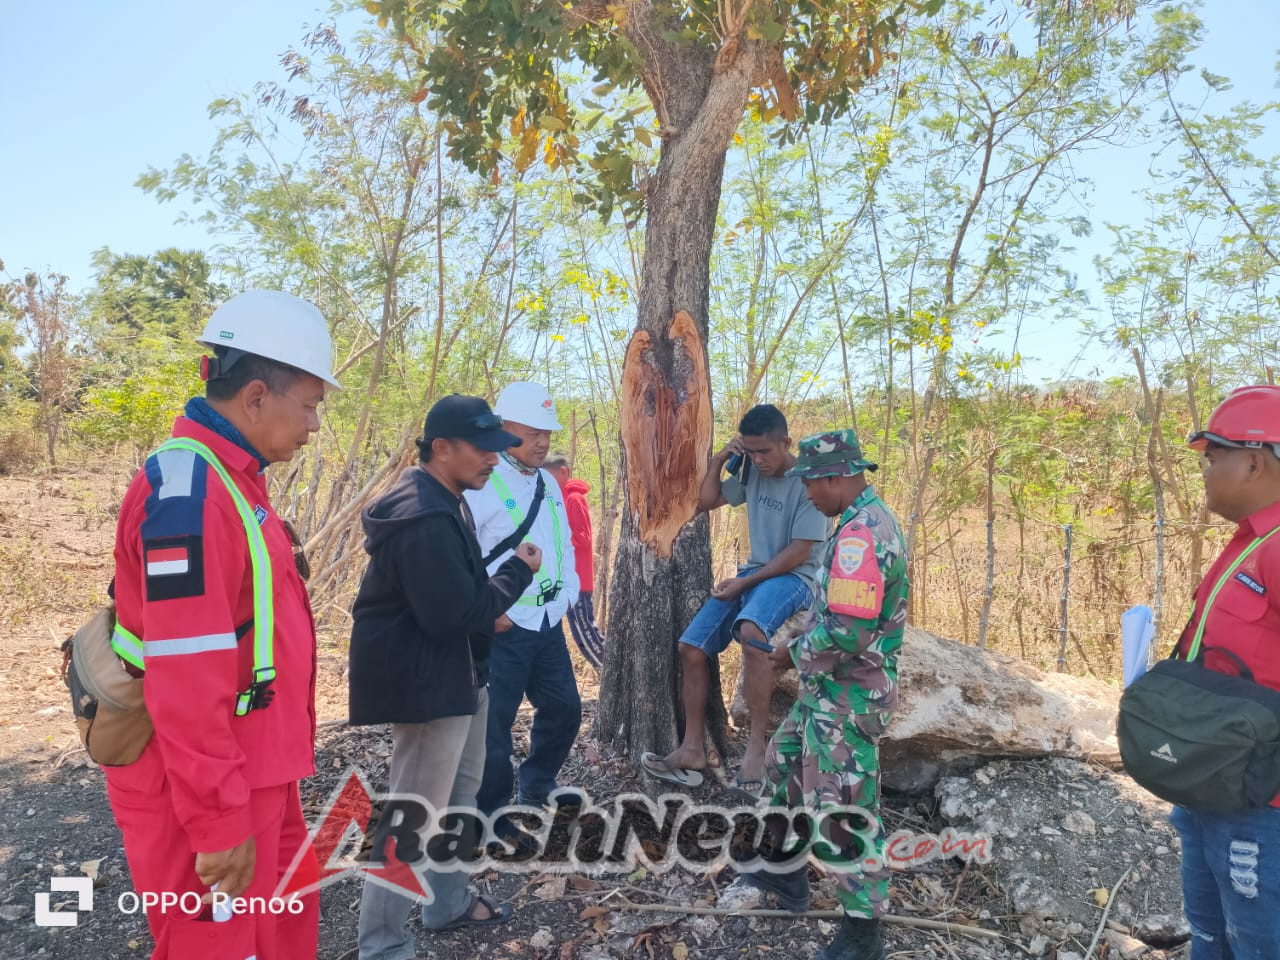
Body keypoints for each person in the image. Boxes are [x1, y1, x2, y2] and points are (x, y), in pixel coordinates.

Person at [105, 289, 338, 960]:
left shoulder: (235, 481)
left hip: (258, 767)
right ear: (258, 396)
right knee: (217, 943)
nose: (315, 426)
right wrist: (218, 821)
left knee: (282, 928)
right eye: (311, 406)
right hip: (206, 786)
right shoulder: (191, 495)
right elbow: (186, 673)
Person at [347, 394, 541, 958]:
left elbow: (455, 600)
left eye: (497, 448)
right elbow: (450, 614)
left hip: (460, 673)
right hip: (428, 682)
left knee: (459, 794)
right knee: (410, 813)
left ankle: (447, 902)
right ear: (442, 447)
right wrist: (515, 573)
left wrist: (484, 603)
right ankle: (382, 943)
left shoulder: (446, 496)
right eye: (483, 449)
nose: (492, 459)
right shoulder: (424, 514)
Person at [723, 428, 907, 960]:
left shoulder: (858, 537)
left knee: (843, 809)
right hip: (826, 694)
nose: (807, 494)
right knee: (783, 765)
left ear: (835, 478)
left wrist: (788, 655)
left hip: (847, 701)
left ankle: (862, 928)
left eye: (811, 484)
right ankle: (783, 874)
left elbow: (848, 633)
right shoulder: (861, 521)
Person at [641, 403, 828, 794]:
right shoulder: (750, 471)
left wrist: (744, 584)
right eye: (752, 451)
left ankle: (756, 750)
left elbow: (799, 552)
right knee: (690, 647)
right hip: (756, 573)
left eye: (766, 451)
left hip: (795, 577)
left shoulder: (808, 482)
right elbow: (707, 501)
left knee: (750, 631)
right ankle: (692, 748)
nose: (759, 460)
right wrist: (718, 462)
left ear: (786, 442)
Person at [1171, 386, 1280, 959]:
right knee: (1210, 935)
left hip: (1261, 804)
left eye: (1214, 459)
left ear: (1255, 461)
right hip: (1210, 783)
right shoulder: (1248, 542)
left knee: (1259, 943)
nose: (1207, 473)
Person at [465, 382, 583, 824]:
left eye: (547, 433)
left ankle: (537, 782)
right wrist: (489, 609)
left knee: (565, 708)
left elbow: (564, 543)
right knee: (494, 726)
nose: (542, 441)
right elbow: (467, 552)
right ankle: (489, 812)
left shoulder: (549, 485)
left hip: (548, 620)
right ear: (503, 427)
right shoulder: (481, 480)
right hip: (505, 625)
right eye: (532, 431)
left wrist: (568, 594)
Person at [546, 454, 605, 669]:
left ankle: (610, 674)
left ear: (563, 472)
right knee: (580, 633)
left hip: (578, 578)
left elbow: (583, 537)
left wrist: (554, 538)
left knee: (586, 634)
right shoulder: (560, 499)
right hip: (567, 579)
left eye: (550, 477)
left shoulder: (574, 499)